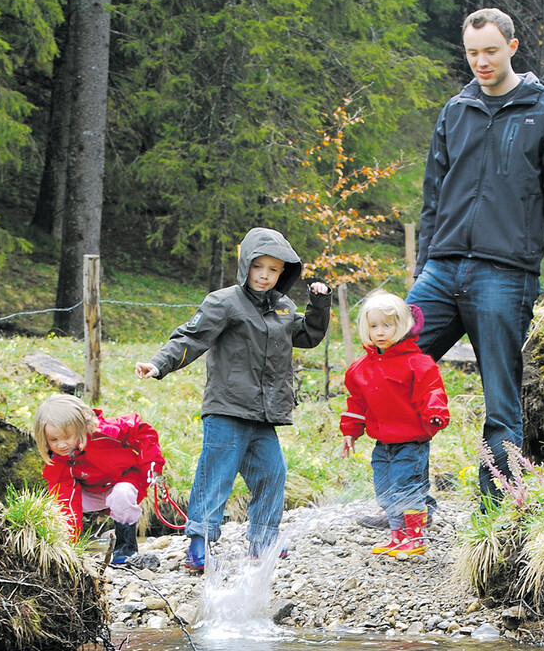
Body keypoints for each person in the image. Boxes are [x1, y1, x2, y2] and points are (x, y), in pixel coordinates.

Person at [405, 6, 544, 509]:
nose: (481, 62)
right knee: (398, 372)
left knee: (502, 402)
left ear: (512, 48)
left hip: (506, 275)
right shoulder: (455, 110)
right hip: (440, 270)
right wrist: (423, 270)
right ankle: (408, 503)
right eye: (472, 53)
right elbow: (433, 197)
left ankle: (496, 513)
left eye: (490, 52)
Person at [135, 227, 331, 572]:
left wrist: (319, 303)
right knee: (215, 477)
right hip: (226, 409)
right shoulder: (225, 302)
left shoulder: (284, 308)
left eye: (274, 269)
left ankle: (263, 541)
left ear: (283, 272)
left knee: (273, 474)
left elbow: (308, 335)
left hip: (264, 413)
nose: (266, 276)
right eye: (260, 267)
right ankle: (198, 546)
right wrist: (158, 364)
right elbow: (190, 337)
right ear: (247, 266)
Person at [340, 291, 450, 557]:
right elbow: (357, 404)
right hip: (382, 442)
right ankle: (396, 536)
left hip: (412, 441)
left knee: (408, 486)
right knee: (386, 489)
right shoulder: (359, 369)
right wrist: (350, 432)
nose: (380, 332)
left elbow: (432, 392)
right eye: (374, 326)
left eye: (387, 325)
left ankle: (415, 537)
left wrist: (435, 413)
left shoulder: (418, 363)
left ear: (401, 326)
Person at [32, 394, 165, 565]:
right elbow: (65, 501)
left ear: (80, 428)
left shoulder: (106, 432)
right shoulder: (58, 461)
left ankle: (125, 549)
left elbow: (143, 432)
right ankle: (69, 548)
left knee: (121, 495)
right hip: (93, 491)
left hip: (124, 480)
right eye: (54, 439)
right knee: (57, 505)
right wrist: (67, 547)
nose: (61, 445)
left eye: (67, 437)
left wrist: (152, 466)